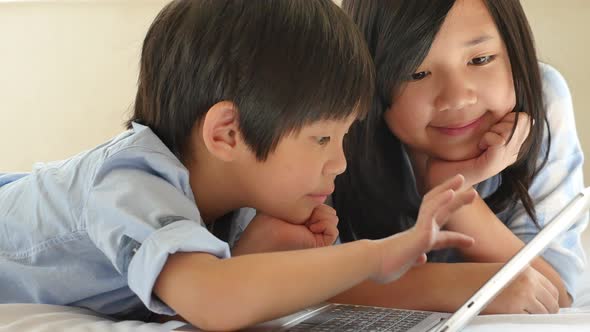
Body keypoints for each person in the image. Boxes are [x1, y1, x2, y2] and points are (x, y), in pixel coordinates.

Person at [0, 1, 476, 330]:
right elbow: (213, 301)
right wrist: (375, 253)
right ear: (227, 133)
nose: (339, 162)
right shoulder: (130, 182)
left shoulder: (233, 198)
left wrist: (256, 248)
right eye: (322, 138)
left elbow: (203, 298)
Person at [333, 0, 587, 314]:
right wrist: (465, 285)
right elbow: (293, 278)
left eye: (480, 59)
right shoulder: (332, 124)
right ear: (368, 77)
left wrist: (452, 191)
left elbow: (555, 293)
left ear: (515, 50)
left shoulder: (543, 101)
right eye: (417, 73)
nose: (456, 98)